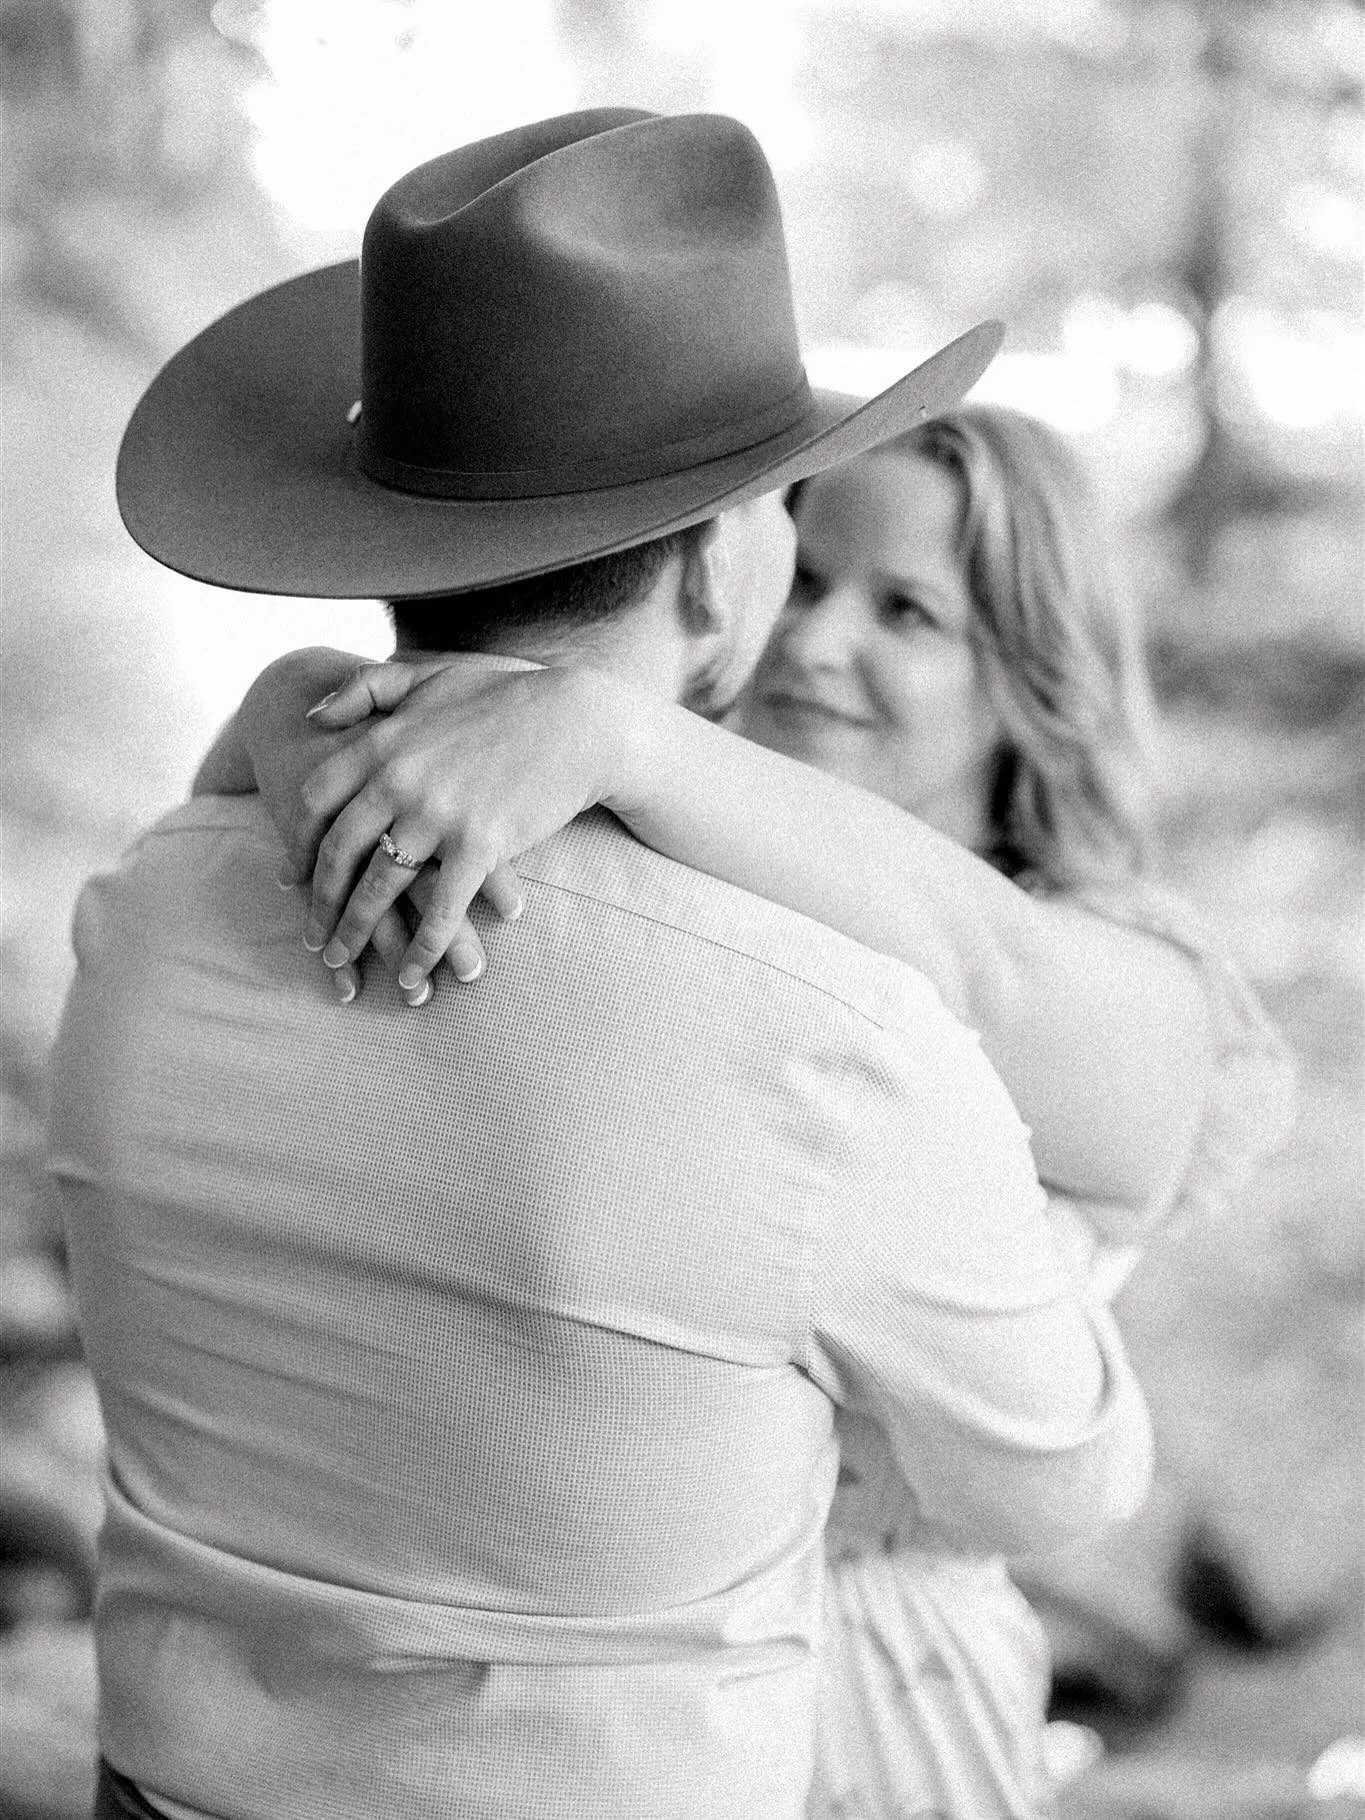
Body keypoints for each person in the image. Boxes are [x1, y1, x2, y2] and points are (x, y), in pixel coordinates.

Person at [46, 111, 1155, 1820]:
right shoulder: (828, 1047)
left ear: (387, 544)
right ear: (724, 565)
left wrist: (291, 716)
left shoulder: (140, 919)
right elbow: (1060, 1482)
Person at [219, 406, 1292, 1817]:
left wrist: (619, 733)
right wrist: (294, 702)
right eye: (813, 570)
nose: (818, 639)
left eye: (908, 610)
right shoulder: (638, 855)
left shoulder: (1111, 961)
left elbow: (1005, 991)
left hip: (878, 1692)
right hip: (581, 1713)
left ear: (1029, 675)